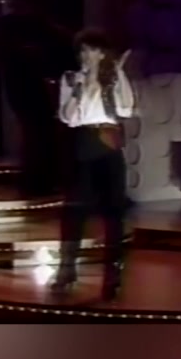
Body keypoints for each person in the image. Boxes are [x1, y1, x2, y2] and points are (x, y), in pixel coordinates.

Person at [49, 28, 135, 301]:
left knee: (114, 213)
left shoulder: (114, 77)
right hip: (84, 143)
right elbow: (68, 117)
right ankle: (66, 270)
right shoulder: (70, 78)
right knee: (75, 211)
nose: (87, 55)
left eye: (93, 50)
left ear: (103, 52)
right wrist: (82, 87)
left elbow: (126, 109)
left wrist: (116, 74)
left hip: (109, 141)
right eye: (83, 51)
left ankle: (113, 276)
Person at [0, 0, 76, 196]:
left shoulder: (23, 27)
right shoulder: (13, 27)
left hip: (28, 86)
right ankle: (37, 181)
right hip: (26, 86)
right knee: (38, 132)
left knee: (40, 132)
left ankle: (39, 180)